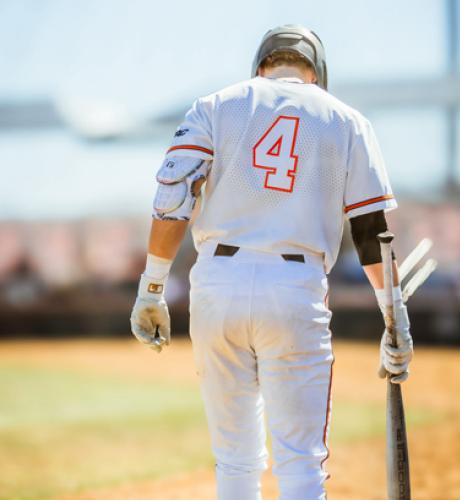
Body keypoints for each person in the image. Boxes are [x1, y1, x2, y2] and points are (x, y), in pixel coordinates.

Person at [130, 24, 413, 500]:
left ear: (261, 64)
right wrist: (394, 317)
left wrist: (151, 288)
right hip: (295, 287)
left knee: (236, 463)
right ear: (317, 71)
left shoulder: (215, 105)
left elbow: (172, 197)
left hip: (217, 283)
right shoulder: (347, 120)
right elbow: (371, 232)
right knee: (300, 463)